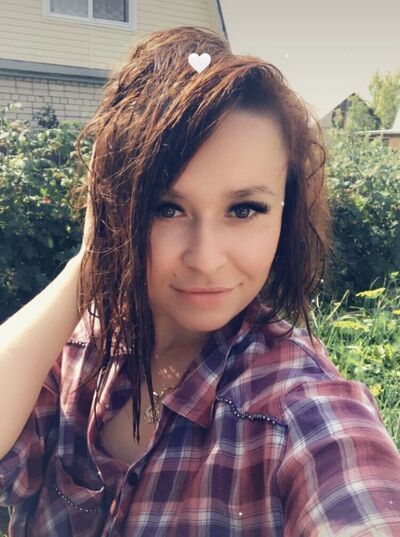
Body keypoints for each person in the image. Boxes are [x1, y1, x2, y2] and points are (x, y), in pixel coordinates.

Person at [0, 25, 399, 537]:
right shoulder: (76, 348)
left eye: (245, 209)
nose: (206, 260)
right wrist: (89, 263)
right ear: (116, 210)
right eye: (166, 207)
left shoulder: (301, 408)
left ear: (286, 211)